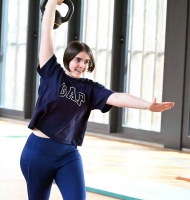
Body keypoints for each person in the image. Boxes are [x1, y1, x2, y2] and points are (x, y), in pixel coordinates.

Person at [20, 0, 175, 199]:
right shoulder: (52, 72)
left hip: (68, 155)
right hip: (38, 153)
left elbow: (118, 97)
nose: (82, 65)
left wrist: (148, 106)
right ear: (68, 58)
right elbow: (46, 34)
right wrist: (51, 4)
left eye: (86, 62)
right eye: (78, 59)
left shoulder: (90, 89)